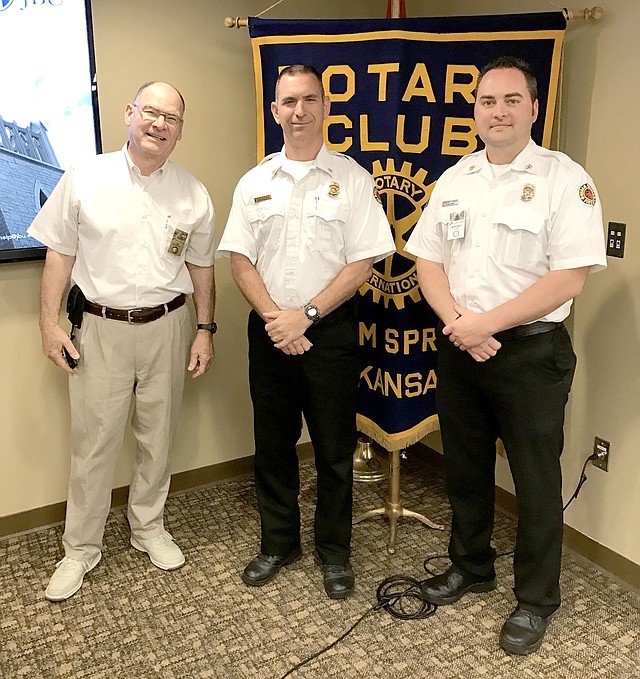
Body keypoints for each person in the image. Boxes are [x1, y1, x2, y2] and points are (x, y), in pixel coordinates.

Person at [405, 56, 606, 654]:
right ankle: (471, 566)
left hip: (530, 356)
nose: (498, 111)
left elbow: (569, 278)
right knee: (464, 468)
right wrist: (458, 323)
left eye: (511, 100)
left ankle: (537, 599)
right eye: (488, 102)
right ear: (475, 112)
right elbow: (427, 261)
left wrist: (481, 324)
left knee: (536, 481)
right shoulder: (456, 178)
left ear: (533, 108)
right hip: (462, 347)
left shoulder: (565, 179)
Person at [28, 81, 217, 602]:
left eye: (171, 118)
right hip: (100, 328)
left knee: (159, 437)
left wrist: (205, 328)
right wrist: (48, 324)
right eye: (150, 112)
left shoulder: (193, 192)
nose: (159, 124)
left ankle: (148, 528)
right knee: (94, 444)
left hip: (169, 327)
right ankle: (80, 550)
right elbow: (59, 256)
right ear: (130, 113)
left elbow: (201, 267)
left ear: (180, 130)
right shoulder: (84, 178)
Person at [217, 65, 394, 599]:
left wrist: (308, 315)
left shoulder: (353, 180)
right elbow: (240, 260)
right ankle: (278, 544)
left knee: (335, 449)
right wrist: (279, 319)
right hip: (270, 331)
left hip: (332, 334)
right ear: (275, 111)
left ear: (324, 107)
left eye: (309, 100)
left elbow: (364, 262)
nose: (299, 111)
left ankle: (334, 553)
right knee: (272, 444)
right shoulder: (254, 182)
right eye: (288, 102)